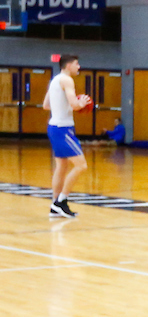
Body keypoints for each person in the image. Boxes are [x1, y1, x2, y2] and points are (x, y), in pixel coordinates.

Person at [43, 54, 90, 218]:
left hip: (53, 126)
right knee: (81, 166)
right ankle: (61, 201)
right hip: (63, 129)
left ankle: (54, 205)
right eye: (77, 64)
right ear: (68, 65)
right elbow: (74, 105)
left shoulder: (54, 80)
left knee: (62, 167)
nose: (79, 67)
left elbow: (45, 105)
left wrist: (62, 107)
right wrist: (82, 103)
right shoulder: (67, 80)